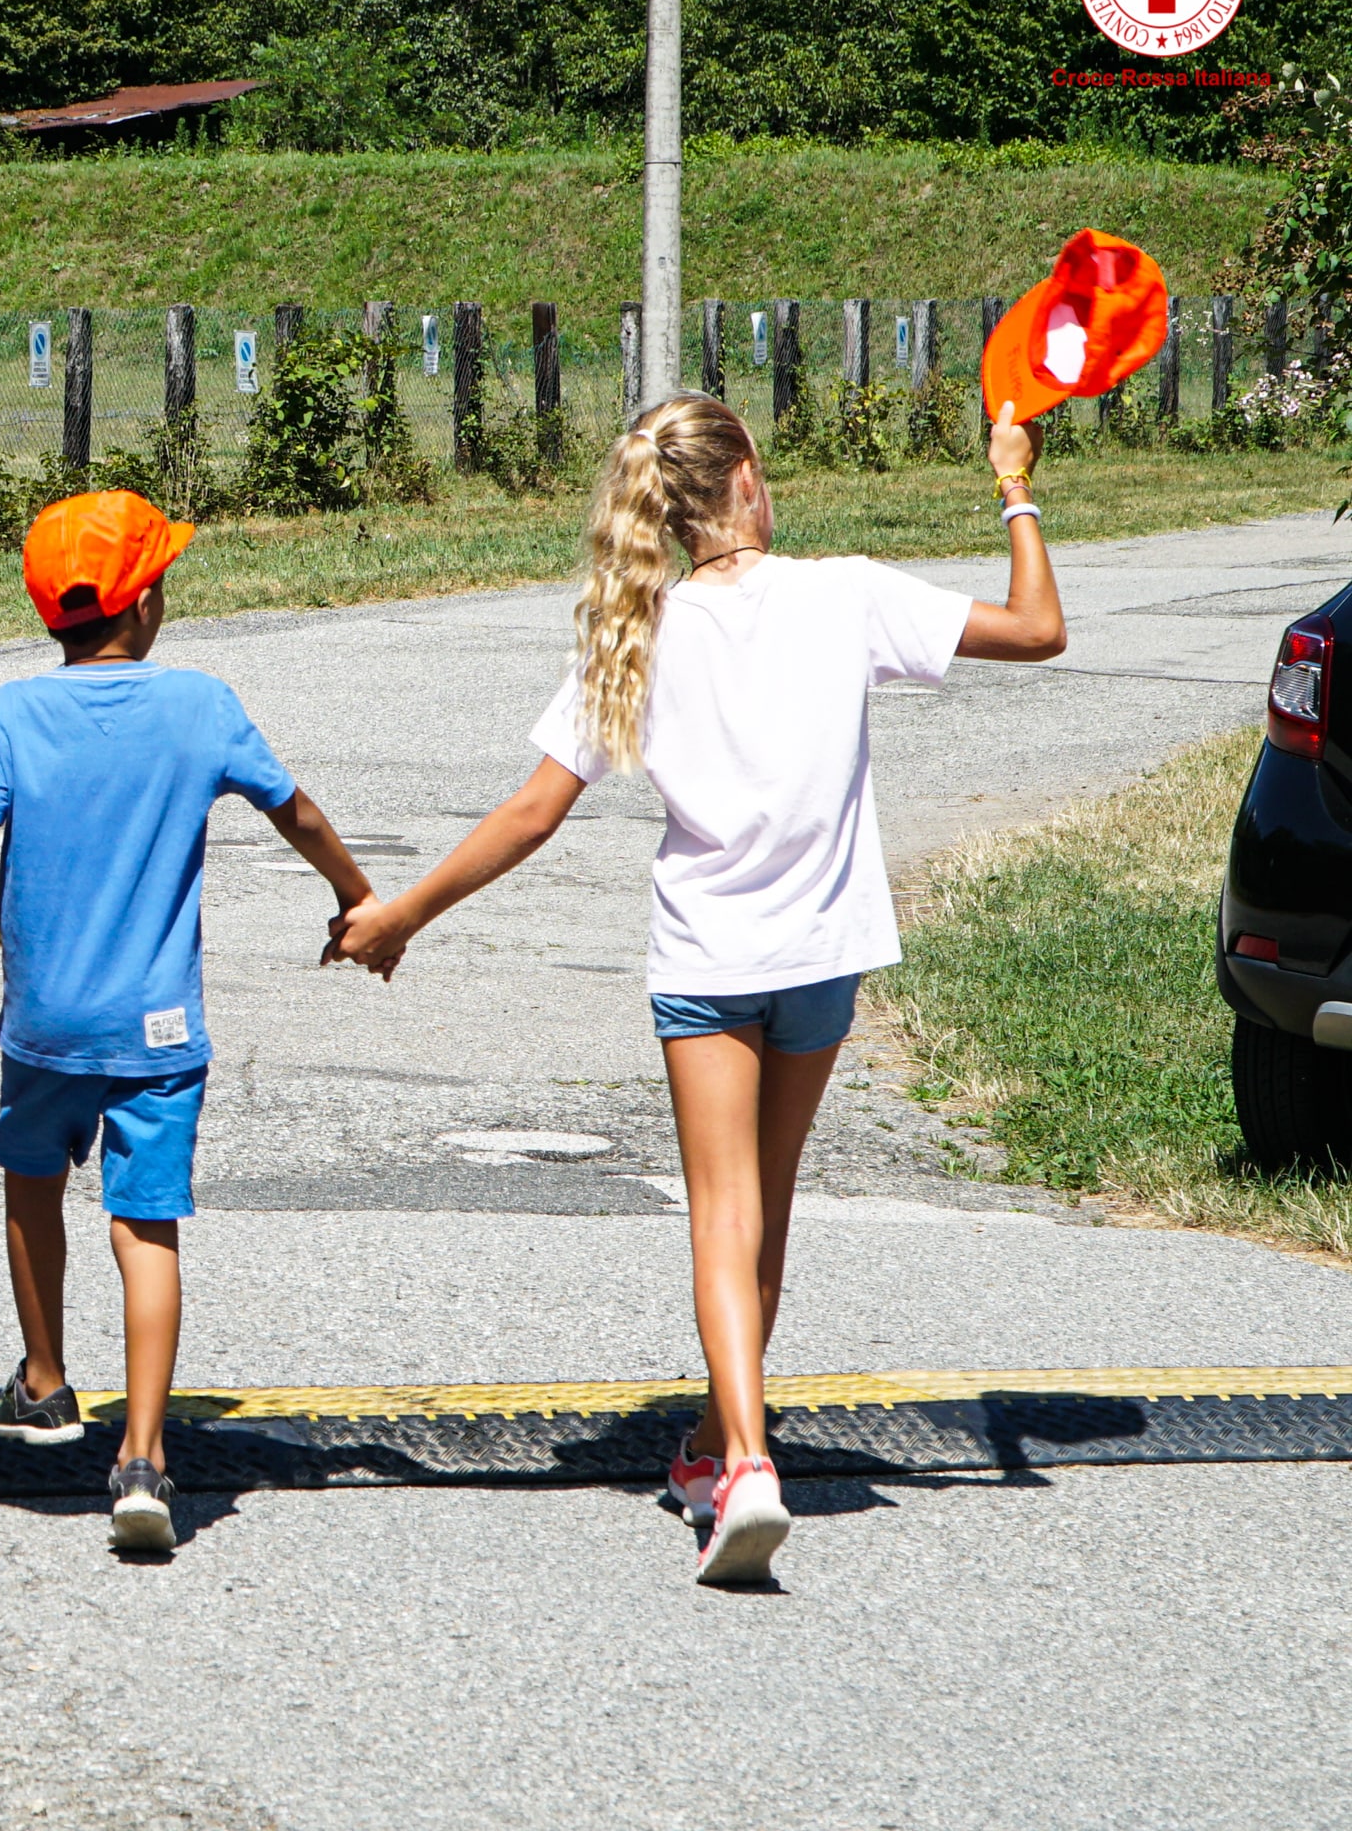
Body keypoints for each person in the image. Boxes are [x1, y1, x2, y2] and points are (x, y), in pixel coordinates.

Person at [336, 401, 1063, 1585]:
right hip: (825, 957)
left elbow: (532, 810)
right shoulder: (846, 592)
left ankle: (747, 1464)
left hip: (711, 964)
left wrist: (406, 911)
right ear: (751, 483)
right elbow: (1039, 628)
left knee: (720, 1217)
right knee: (765, 1209)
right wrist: (1014, 485)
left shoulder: (637, 632)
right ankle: (722, 1444)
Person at [0, 490, 388, 1553]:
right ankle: (143, 1457)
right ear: (145, 601)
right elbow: (298, 811)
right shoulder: (200, 705)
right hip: (160, 1031)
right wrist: (360, 899)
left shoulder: (11, 715)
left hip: (42, 1023)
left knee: (32, 1181)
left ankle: (44, 1381)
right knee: (146, 1222)